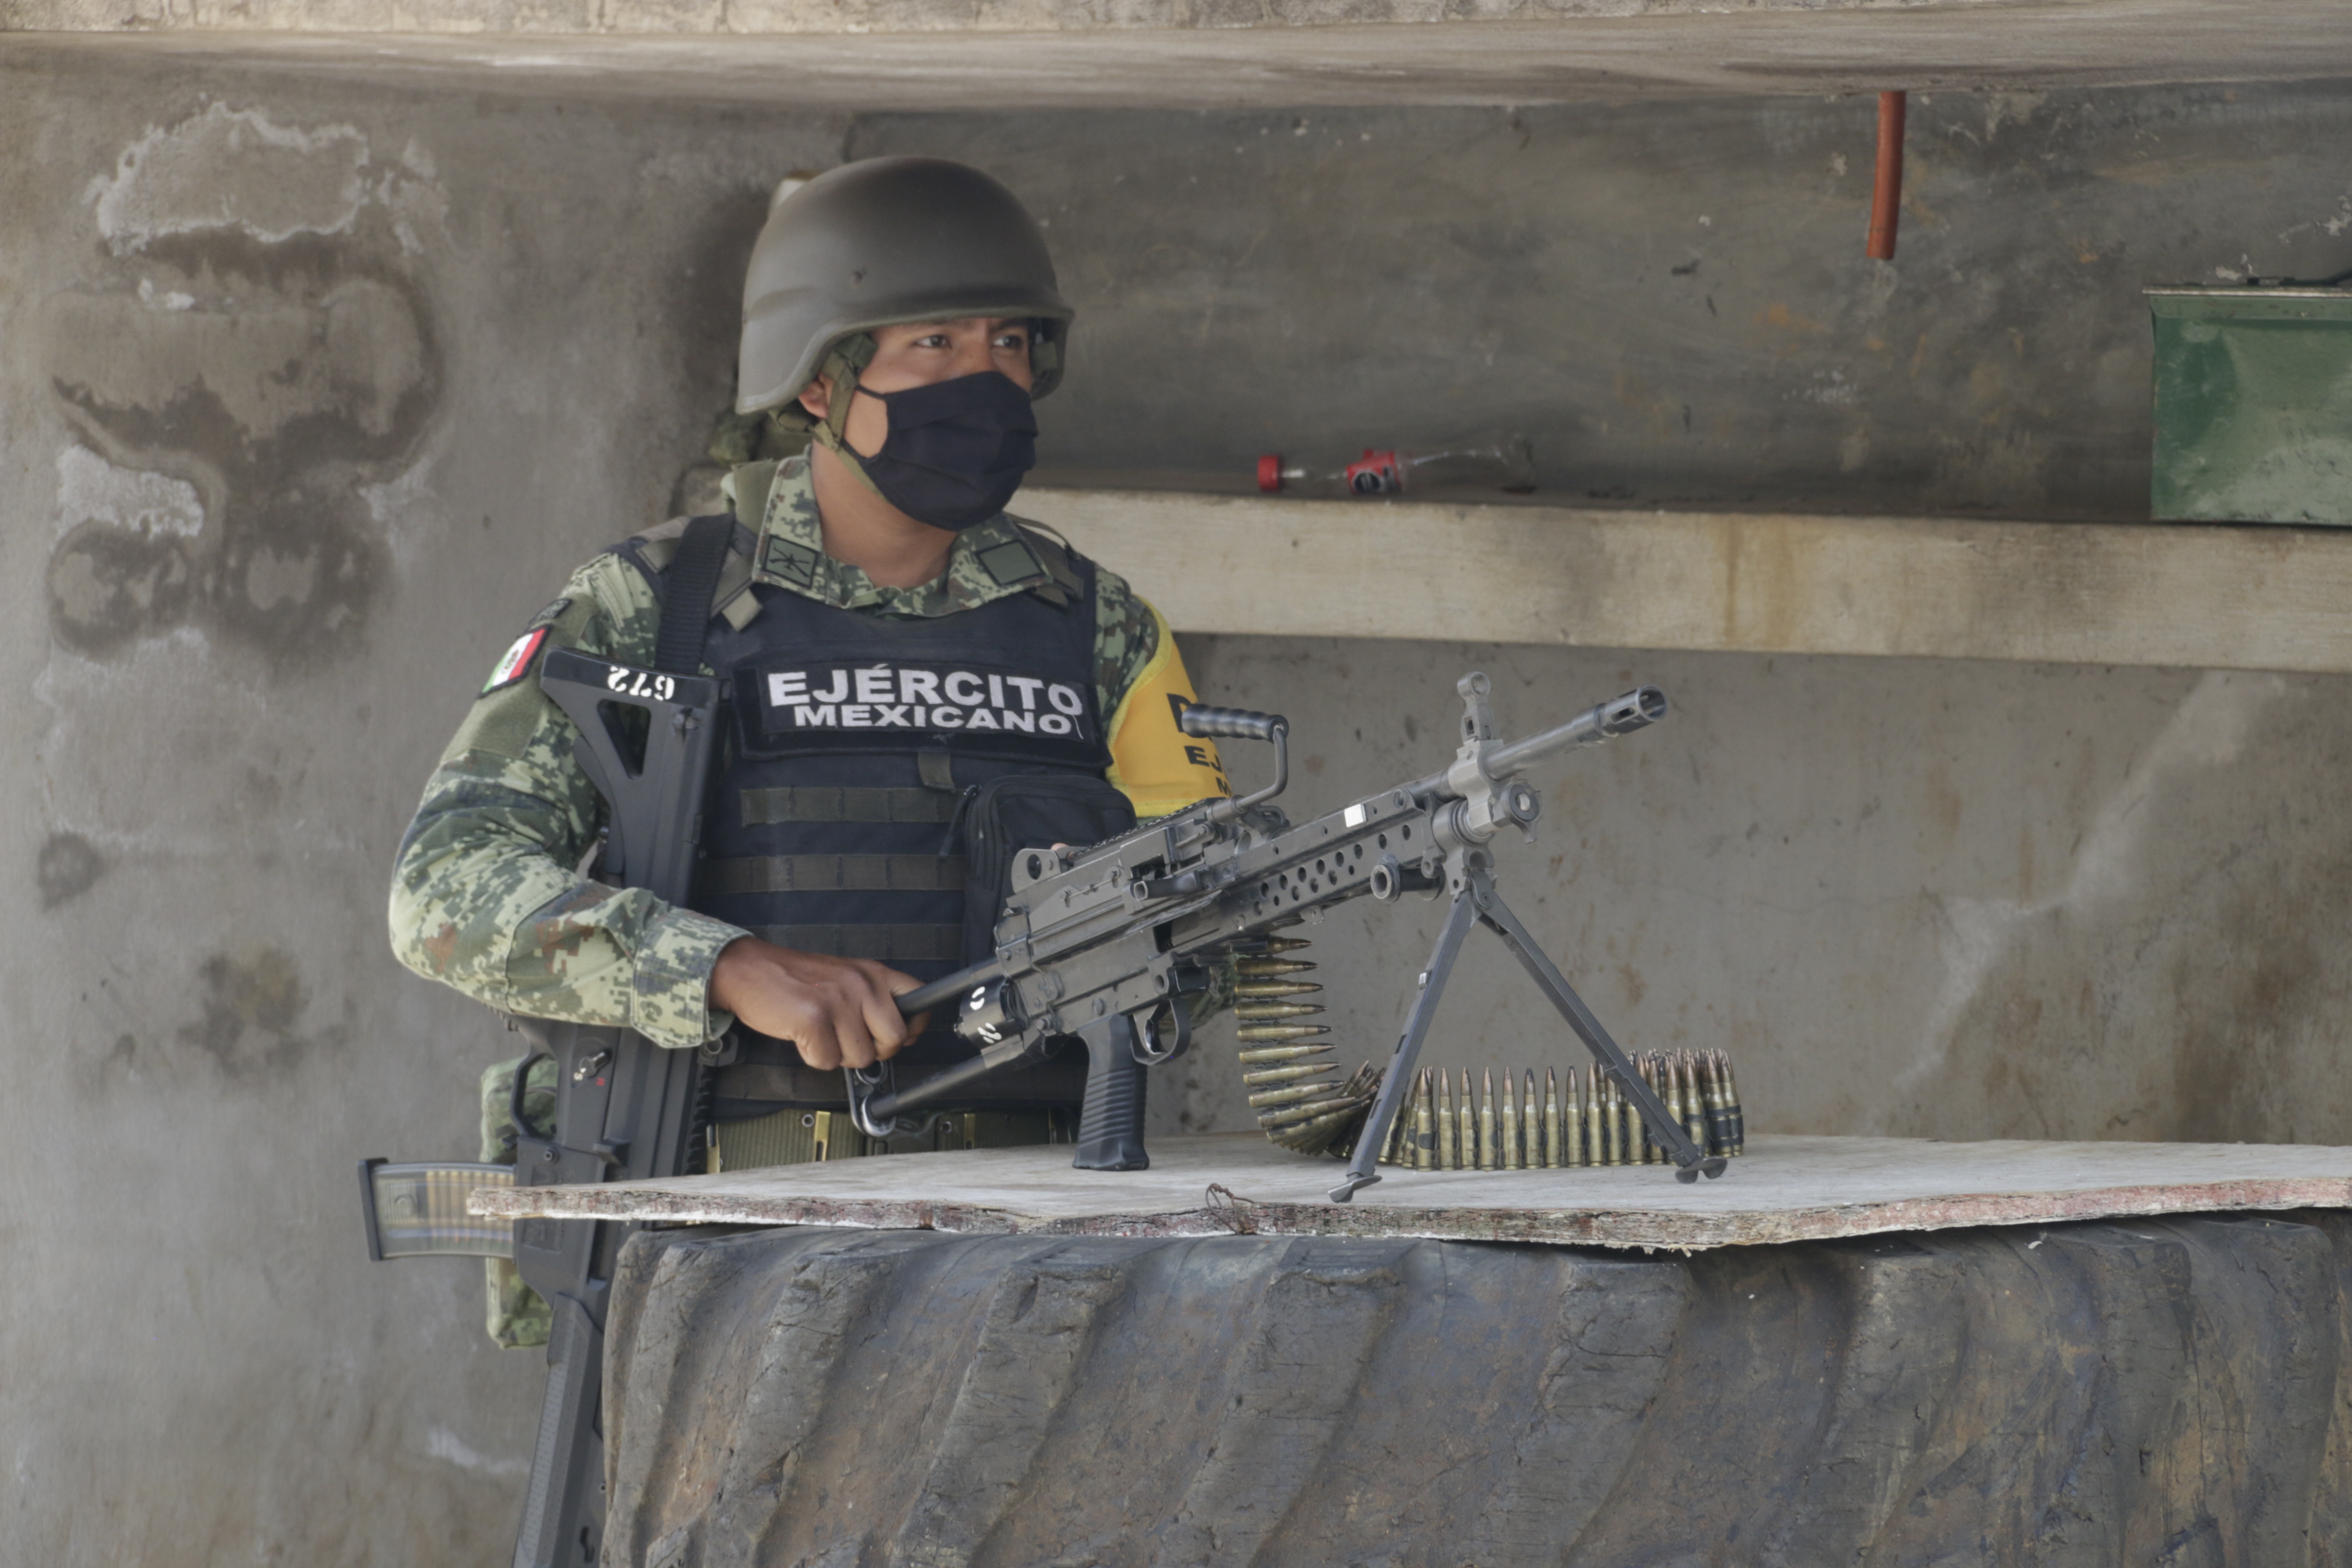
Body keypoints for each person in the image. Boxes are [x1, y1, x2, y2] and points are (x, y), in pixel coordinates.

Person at [388, 157, 1230, 1346]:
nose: (985, 380)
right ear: (821, 382)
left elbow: (1217, 917)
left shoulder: (1099, 627)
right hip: (731, 1239)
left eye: (1006, 343)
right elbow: (443, 891)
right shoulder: (654, 608)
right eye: (932, 346)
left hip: (1045, 1244)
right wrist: (729, 970)